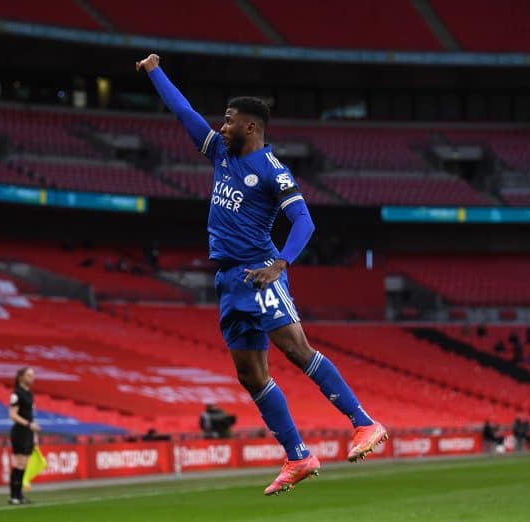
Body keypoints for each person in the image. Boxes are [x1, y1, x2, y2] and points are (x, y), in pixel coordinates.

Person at [137, 53, 387, 496]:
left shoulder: (273, 172)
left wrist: (280, 264)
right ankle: (298, 455)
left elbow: (304, 221)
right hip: (229, 281)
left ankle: (364, 423)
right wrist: (155, 71)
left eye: (229, 120)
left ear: (250, 126)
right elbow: (183, 112)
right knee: (251, 375)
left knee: (296, 349)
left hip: (260, 272)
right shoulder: (220, 153)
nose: (221, 127)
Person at [8, 367, 40, 505]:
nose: (32, 378)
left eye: (32, 375)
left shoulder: (29, 394)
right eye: (29, 375)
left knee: (25, 463)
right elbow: (12, 415)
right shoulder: (17, 394)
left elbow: (30, 415)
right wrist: (28, 424)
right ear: (21, 377)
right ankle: (13, 495)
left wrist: (34, 434)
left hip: (28, 432)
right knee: (18, 463)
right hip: (19, 432)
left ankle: (19, 495)